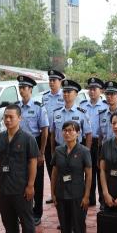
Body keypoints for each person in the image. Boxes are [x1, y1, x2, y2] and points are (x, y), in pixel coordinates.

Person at [0, 104, 39, 233]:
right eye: (5, 116)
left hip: (21, 188)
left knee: (26, 221)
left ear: (20, 118)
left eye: (11, 117)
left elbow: (33, 162)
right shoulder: (0, 138)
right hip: (4, 187)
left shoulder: (28, 139)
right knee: (8, 220)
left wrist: (31, 185)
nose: (8, 119)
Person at [51, 121, 93, 233]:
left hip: (78, 195)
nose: (67, 133)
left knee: (78, 227)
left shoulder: (84, 151)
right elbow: (54, 172)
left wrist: (87, 195)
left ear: (78, 133)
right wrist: (52, 193)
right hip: (61, 195)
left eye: (70, 130)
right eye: (65, 130)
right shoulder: (58, 150)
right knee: (65, 227)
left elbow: (88, 174)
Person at [16, 74, 49, 226]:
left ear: (30, 89)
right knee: (21, 178)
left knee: (36, 181)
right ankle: (24, 210)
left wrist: (41, 152)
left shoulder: (38, 106)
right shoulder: (16, 107)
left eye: (24, 88)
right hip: (19, 145)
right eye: (20, 88)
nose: (21, 90)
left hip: (34, 143)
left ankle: (37, 212)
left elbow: (45, 130)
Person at [80, 77, 108, 207]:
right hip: (85, 141)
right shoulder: (82, 105)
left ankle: (102, 200)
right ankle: (89, 198)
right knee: (87, 169)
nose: (91, 92)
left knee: (100, 170)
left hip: (99, 142)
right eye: (90, 89)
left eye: (94, 89)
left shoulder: (105, 106)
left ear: (100, 90)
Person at [42, 69, 65, 203]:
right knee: (51, 165)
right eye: (50, 80)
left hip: (61, 135)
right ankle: (54, 192)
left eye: (54, 80)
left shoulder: (66, 95)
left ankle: (62, 192)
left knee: (63, 167)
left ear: (60, 82)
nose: (51, 83)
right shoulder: (45, 97)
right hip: (48, 134)